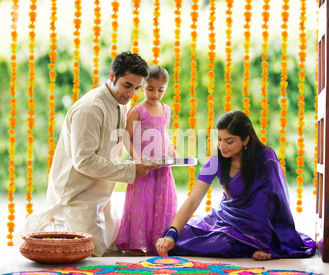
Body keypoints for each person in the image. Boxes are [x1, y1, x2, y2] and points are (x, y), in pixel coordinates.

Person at [14, 51, 158, 256]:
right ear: (111, 76)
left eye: (137, 88)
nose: (132, 94)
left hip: (100, 194)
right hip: (75, 196)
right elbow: (84, 162)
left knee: (123, 243)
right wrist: (132, 170)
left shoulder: (120, 103)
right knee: (90, 251)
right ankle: (52, 227)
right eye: (127, 85)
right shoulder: (91, 108)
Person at [156, 110, 317, 260]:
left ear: (245, 139)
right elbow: (193, 200)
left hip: (259, 225)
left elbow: (268, 203)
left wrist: (263, 244)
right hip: (225, 218)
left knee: (221, 245)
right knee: (179, 238)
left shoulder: (265, 159)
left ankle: (252, 244)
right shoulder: (216, 162)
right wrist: (172, 234)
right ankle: (239, 243)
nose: (222, 146)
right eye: (219, 139)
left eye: (229, 141)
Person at [115, 65, 177, 255]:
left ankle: (159, 243)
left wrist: (171, 148)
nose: (155, 94)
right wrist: (137, 159)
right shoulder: (137, 111)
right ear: (142, 87)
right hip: (143, 168)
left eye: (161, 90)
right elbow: (127, 137)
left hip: (162, 168)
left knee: (163, 203)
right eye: (150, 89)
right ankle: (135, 244)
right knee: (140, 203)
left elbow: (163, 134)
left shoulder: (166, 110)